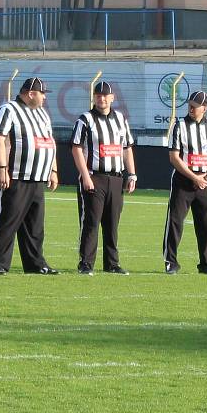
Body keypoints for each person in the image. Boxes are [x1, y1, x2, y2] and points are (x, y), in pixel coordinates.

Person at [0, 77, 59, 275]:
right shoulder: (8, 110)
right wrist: (2, 168)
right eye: (42, 93)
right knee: (7, 222)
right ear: (30, 94)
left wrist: (53, 170)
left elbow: (49, 142)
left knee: (35, 226)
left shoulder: (42, 114)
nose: (44, 97)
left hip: (37, 177)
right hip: (16, 176)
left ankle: (35, 263)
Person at [70, 81, 137, 276]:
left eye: (105, 95)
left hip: (116, 178)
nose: (102, 98)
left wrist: (131, 174)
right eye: (98, 95)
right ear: (94, 97)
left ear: (112, 98)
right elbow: (76, 148)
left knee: (112, 222)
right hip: (94, 177)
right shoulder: (85, 119)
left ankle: (112, 263)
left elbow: (127, 148)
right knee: (91, 222)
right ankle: (86, 263)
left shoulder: (121, 119)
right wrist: (85, 176)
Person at [163, 90, 207, 275]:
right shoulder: (179, 126)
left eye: (195, 106)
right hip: (183, 180)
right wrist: (194, 177)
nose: (191, 108)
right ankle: (170, 262)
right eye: (190, 105)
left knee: (205, 223)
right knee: (175, 221)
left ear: (204, 108)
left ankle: (206, 263)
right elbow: (174, 157)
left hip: (205, 181)